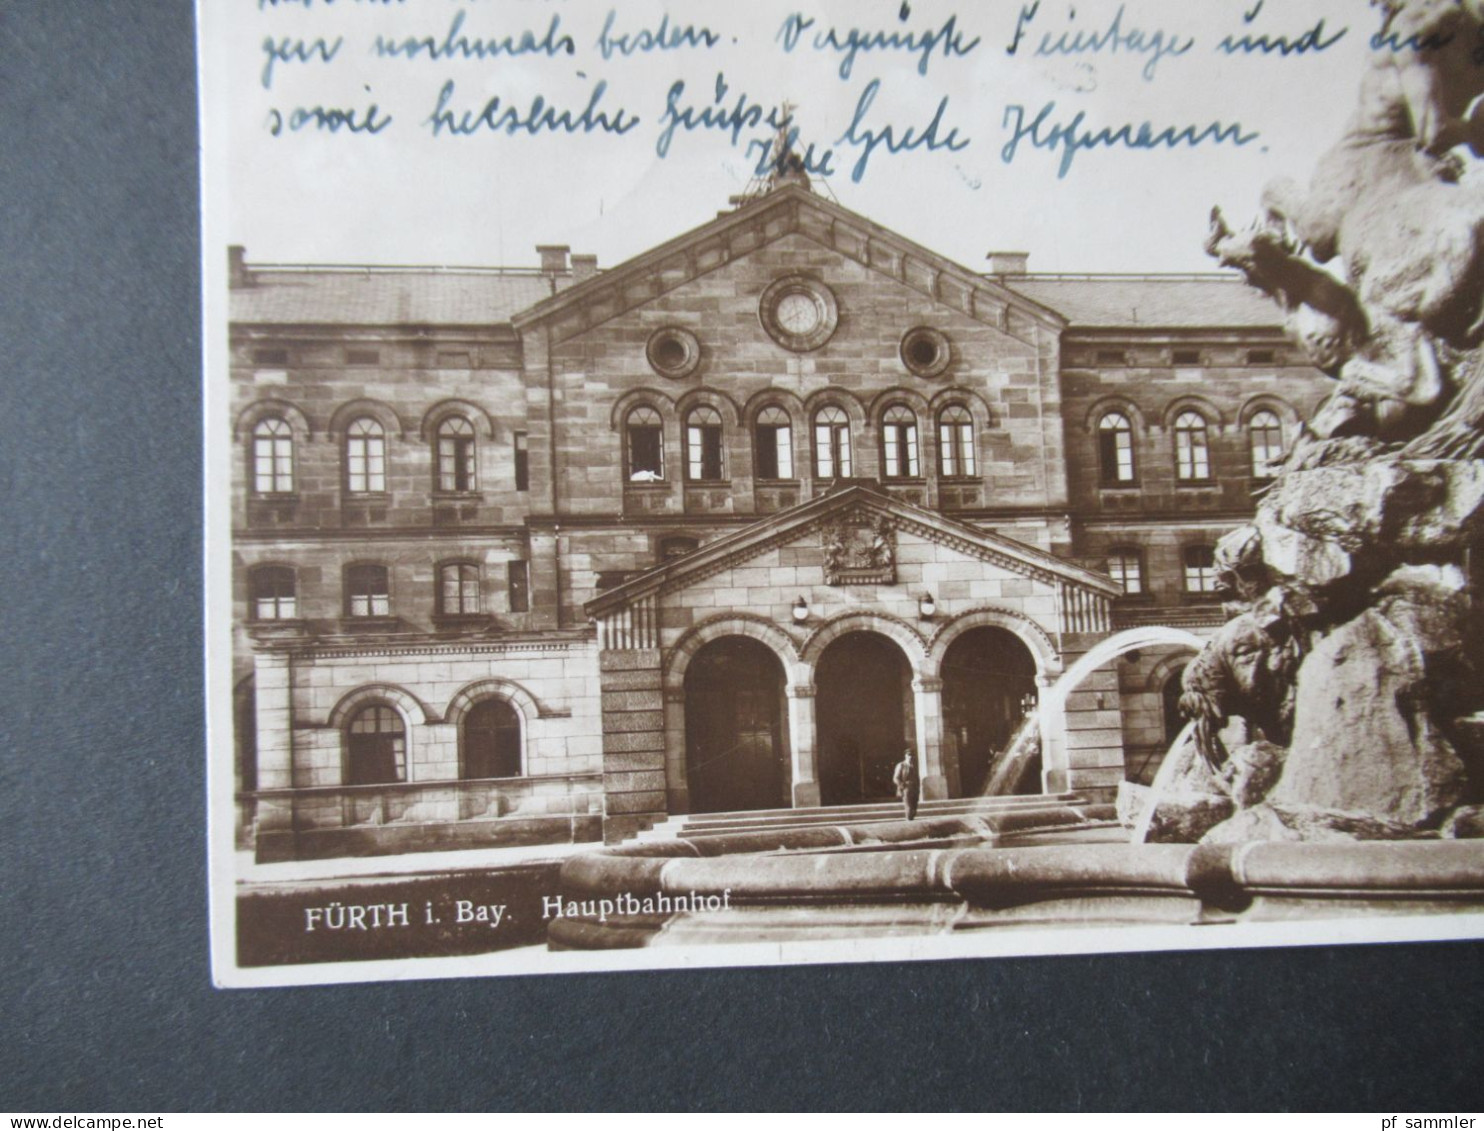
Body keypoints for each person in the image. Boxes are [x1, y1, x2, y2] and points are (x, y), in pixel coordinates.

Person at [893, 748, 920, 821]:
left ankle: (911, 818)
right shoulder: (901, 765)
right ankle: (909, 821)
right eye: (909, 755)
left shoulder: (915, 765)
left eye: (912, 755)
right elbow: (896, 778)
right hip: (906, 788)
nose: (910, 757)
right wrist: (902, 786)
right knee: (909, 806)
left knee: (914, 807)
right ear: (905, 756)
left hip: (915, 788)